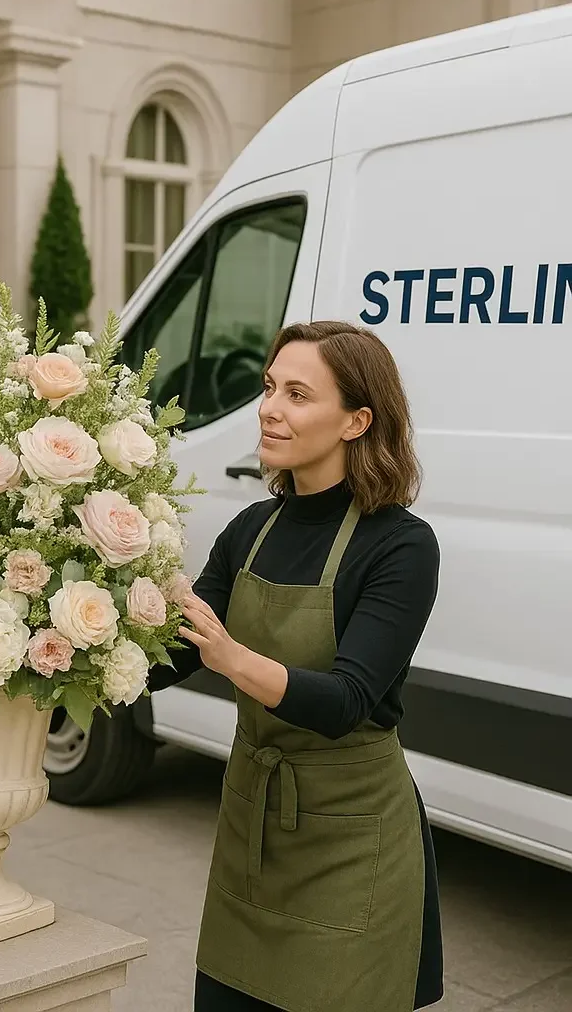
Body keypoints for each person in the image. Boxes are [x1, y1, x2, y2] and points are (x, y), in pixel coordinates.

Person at [157, 320, 445, 1011]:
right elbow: (170, 659)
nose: (269, 408)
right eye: (267, 388)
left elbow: (346, 701)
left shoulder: (401, 548)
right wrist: (71, 644)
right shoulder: (250, 531)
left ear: (357, 421)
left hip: (353, 848)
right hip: (250, 833)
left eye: (297, 394)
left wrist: (228, 655)